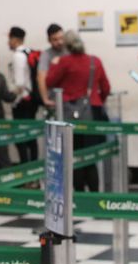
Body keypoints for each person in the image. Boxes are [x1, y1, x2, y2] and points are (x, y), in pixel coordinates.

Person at [46, 30, 111, 192]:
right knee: (91, 157)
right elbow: (106, 88)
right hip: (93, 113)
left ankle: (79, 194)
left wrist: (54, 65)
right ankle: (95, 194)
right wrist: (95, 102)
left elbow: (49, 81)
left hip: (70, 114)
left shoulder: (64, 62)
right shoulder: (95, 61)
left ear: (66, 46)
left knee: (74, 156)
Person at [8, 26, 40, 162]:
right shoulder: (29, 52)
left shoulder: (17, 55)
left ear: (14, 39)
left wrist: (10, 95)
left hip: (22, 102)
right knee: (31, 137)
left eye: (9, 39)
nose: (8, 43)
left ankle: (26, 173)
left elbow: (19, 83)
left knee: (21, 139)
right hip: (32, 100)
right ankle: (33, 174)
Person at [37, 23, 67, 112]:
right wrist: (45, 99)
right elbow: (41, 77)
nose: (60, 42)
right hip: (55, 100)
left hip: (72, 99)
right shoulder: (46, 55)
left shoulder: (70, 51)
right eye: (55, 39)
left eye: (61, 38)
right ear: (49, 40)